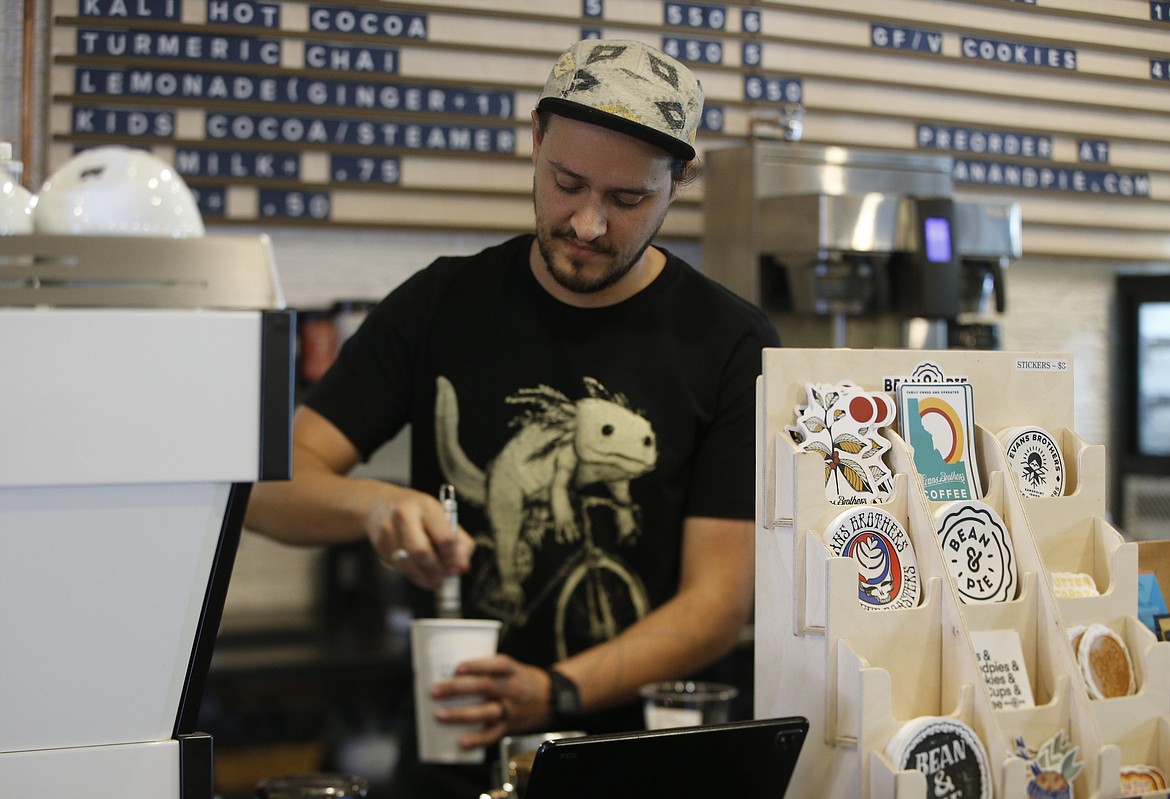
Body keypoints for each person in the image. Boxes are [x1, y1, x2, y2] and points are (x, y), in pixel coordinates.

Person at [245, 38, 782, 798]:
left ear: (678, 181)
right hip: (456, 752)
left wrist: (554, 692)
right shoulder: (443, 304)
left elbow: (717, 604)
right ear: (535, 139)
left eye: (628, 200)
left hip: (647, 764)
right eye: (567, 183)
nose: (589, 224)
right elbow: (268, 485)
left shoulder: (731, 342)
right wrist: (378, 504)